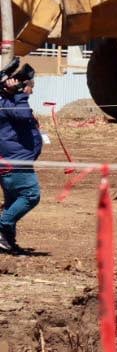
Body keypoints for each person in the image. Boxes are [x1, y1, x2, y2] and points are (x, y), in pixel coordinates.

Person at [0, 64, 42, 255]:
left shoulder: (9, 101)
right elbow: (23, 115)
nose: (31, 89)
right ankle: (1, 228)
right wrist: (17, 94)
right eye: (30, 86)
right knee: (30, 195)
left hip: (15, 158)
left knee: (13, 202)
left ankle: (6, 242)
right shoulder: (11, 102)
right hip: (15, 160)